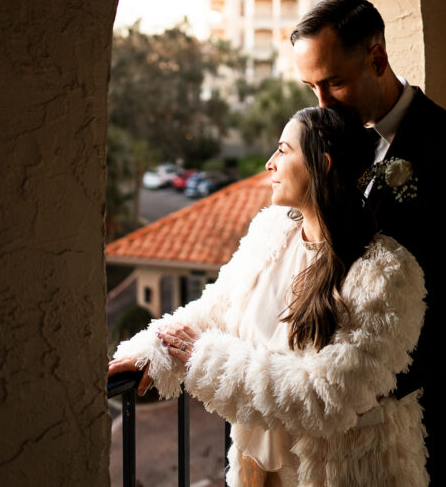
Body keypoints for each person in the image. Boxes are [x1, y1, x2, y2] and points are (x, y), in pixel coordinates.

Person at [108, 106, 428, 486]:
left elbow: (326, 397)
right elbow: (217, 308)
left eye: (283, 149)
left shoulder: (385, 273)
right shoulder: (270, 234)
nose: (269, 163)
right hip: (260, 474)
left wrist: (204, 358)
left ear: (321, 165)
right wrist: (150, 351)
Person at [291, 0, 446, 485]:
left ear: (377, 58)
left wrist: (387, 377)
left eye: (335, 83)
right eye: (311, 87)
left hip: (420, 401)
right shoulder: (335, 143)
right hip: (339, 418)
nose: (322, 104)